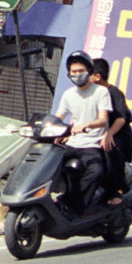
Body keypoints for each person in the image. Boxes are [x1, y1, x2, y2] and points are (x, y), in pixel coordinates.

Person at [52, 52, 112, 215]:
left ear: (89, 71)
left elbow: (103, 120)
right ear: (69, 74)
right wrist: (51, 126)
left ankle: (76, 207)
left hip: (92, 144)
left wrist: (86, 125)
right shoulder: (68, 94)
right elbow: (59, 116)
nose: (77, 74)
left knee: (95, 172)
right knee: (48, 165)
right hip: (72, 143)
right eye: (73, 72)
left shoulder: (100, 92)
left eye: (80, 71)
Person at [89, 57, 132, 199]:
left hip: (118, 136)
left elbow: (121, 119)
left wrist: (109, 134)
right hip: (98, 134)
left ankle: (117, 190)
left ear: (97, 77)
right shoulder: (89, 95)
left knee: (109, 150)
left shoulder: (114, 93)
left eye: (87, 73)